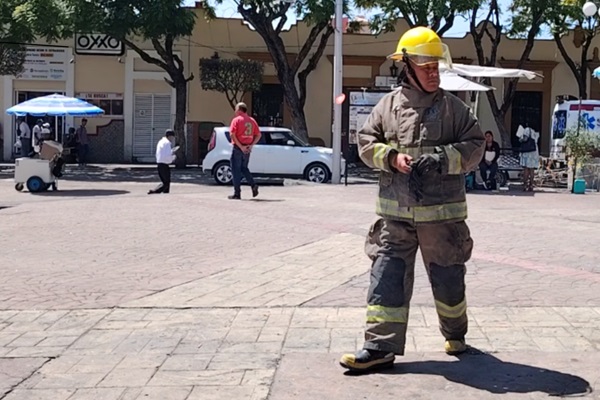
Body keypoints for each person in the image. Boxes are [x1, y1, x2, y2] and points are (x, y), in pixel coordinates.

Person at [339, 26, 485, 373]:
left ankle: (455, 334)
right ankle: (379, 347)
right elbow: (365, 143)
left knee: (449, 280)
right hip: (396, 217)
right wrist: (391, 158)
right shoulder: (387, 107)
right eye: (426, 67)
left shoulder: (454, 109)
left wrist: (443, 158)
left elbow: (475, 145)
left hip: (442, 221)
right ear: (407, 67)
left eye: (436, 67)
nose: (433, 73)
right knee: (386, 276)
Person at [228, 102, 261, 200]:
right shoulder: (252, 120)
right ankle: (253, 185)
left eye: (235, 109)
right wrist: (251, 145)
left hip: (239, 148)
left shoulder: (236, 120)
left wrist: (240, 146)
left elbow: (232, 134)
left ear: (239, 110)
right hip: (247, 148)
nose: (235, 111)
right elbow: (258, 134)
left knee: (235, 170)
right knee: (244, 168)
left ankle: (237, 193)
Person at [148, 129, 176, 194]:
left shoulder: (161, 142)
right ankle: (154, 191)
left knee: (165, 181)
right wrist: (173, 157)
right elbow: (167, 155)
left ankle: (165, 193)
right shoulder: (167, 143)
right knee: (166, 182)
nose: (172, 138)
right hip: (164, 163)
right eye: (172, 137)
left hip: (159, 163)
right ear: (170, 136)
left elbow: (162, 153)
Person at [517, 124, 539, 192]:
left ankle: (525, 185)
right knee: (532, 170)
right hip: (534, 152)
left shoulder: (527, 130)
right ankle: (531, 185)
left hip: (527, 152)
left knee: (526, 169)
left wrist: (520, 138)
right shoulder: (536, 132)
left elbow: (524, 139)